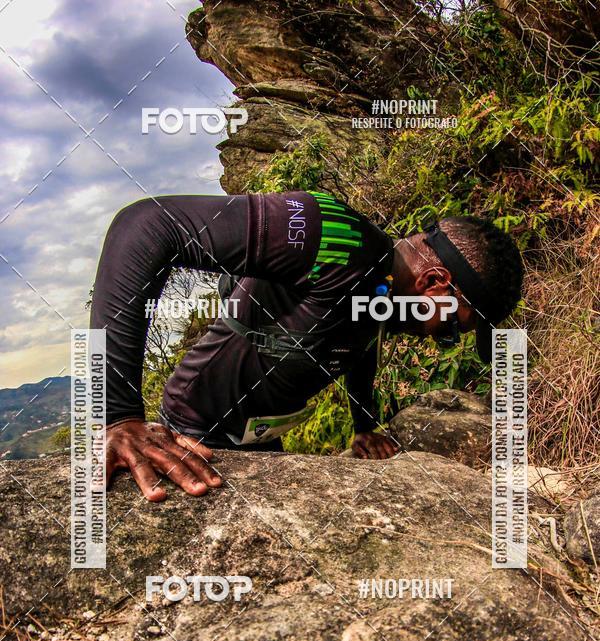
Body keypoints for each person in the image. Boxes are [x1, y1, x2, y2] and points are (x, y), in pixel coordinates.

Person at [90, 191, 523, 501]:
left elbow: (360, 347)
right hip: (197, 433)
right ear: (434, 282)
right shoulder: (338, 237)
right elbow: (149, 224)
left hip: (258, 441)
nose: (439, 337)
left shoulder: (384, 291)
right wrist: (118, 416)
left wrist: (364, 425)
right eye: (450, 327)